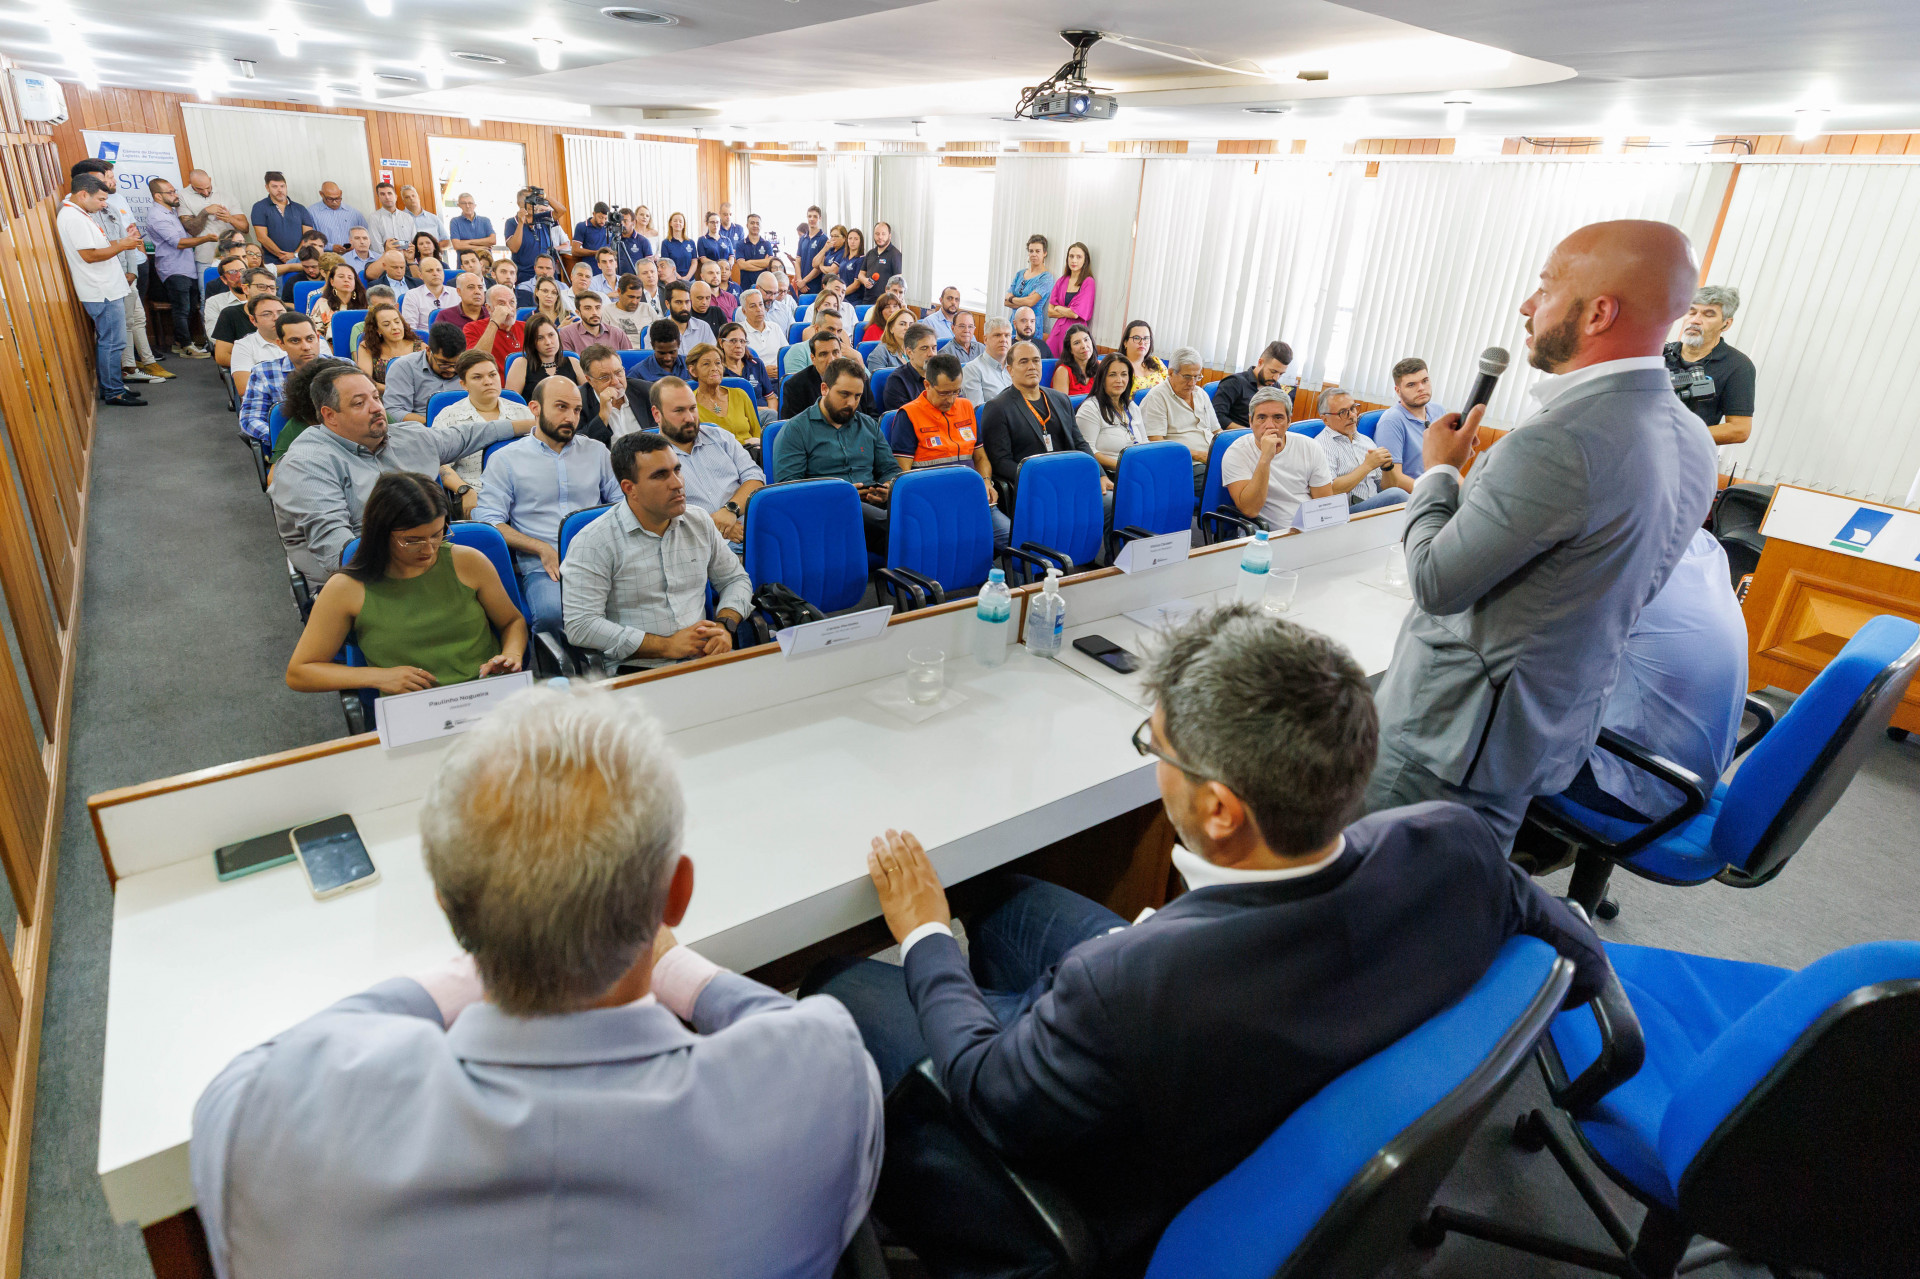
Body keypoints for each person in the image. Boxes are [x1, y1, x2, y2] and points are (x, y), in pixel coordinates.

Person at [806, 605, 1610, 1279]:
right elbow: (1566, 949)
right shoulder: (1452, 841)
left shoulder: (1126, 986)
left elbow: (986, 1086)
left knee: (838, 981)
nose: (1155, 766)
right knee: (1002, 896)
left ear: (1221, 809)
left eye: (1157, 750)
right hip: (1225, 1026)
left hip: (1125, 1156)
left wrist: (922, 935)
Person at [191, 684, 882, 1279]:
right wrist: (669, 961)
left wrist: (480, 952)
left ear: (449, 909)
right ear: (676, 895)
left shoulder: (266, 1119)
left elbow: (281, 1061)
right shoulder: (824, 1076)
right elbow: (786, 1025)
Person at [1365, 219, 1720, 848]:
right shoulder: (1692, 437)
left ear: (1598, 313)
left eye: (1547, 288)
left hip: (1449, 740)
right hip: (1544, 724)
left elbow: (1435, 581)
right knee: (1457, 897)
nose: (1528, 305)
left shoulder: (1559, 442)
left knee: (1377, 905)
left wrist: (1440, 470)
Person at [272, 363, 531, 591]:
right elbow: (338, 551)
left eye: (376, 397)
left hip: (423, 553)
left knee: (490, 566)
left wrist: (533, 424)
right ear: (330, 416)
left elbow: (467, 435)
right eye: (359, 403)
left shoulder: (406, 436)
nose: (376, 408)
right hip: (357, 577)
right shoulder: (306, 463)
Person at [1562, 527, 1747, 822]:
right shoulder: (1705, 545)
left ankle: (1505, 854)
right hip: (1688, 779)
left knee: (1484, 718)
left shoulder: (1631, 565)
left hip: (1638, 788)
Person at [285, 472, 526, 696]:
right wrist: (378, 677)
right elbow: (300, 672)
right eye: (412, 541)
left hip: (486, 693)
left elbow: (512, 622)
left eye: (437, 534)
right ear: (381, 534)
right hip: (414, 706)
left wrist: (511, 655)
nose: (429, 549)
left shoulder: (468, 561)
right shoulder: (346, 588)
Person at [561, 433, 756, 670]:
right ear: (629, 488)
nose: (677, 483)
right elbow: (581, 625)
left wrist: (725, 626)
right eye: (660, 476)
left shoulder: (699, 521)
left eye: (677, 470)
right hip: (638, 668)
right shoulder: (594, 541)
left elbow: (735, 580)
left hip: (705, 657)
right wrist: (667, 646)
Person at [475, 379, 622, 636]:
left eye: (576, 410)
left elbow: (623, 504)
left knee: (631, 605)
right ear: (535, 408)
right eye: (561, 407)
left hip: (599, 556)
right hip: (542, 562)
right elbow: (489, 522)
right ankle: (562, 671)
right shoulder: (506, 459)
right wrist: (540, 547)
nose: (571, 418)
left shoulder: (597, 452)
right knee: (553, 613)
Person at [773, 357, 900, 553]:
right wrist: (840, 494)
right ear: (824, 389)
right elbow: (790, 488)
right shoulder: (796, 430)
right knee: (902, 527)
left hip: (872, 507)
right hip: (827, 512)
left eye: (857, 396)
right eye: (844, 394)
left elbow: (890, 469)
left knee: (915, 512)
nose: (851, 403)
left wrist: (887, 488)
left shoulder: (867, 425)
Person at [886, 352, 1011, 549]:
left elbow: (980, 457)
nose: (951, 400)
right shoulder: (909, 415)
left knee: (1016, 542)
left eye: (956, 392)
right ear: (927, 385)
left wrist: (986, 482)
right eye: (944, 393)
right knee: (970, 551)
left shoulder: (966, 407)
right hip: (935, 505)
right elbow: (903, 475)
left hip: (972, 498)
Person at [980, 339, 1109, 504]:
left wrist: (1100, 474)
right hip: (1036, 485)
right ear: (1010, 370)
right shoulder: (998, 408)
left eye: (1036, 360)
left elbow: (1080, 443)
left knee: (1111, 502)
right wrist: (1041, 476)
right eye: (1024, 362)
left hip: (1070, 477)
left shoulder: (1060, 399)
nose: (1032, 366)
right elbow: (1001, 462)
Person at [650, 377, 764, 545]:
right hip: (696, 545)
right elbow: (660, 517)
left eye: (692, 408)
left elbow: (755, 478)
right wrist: (716, 527)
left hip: (748, 527)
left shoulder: (721, 437)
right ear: (657, 414)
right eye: (679, 411)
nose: (689, 418)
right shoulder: (650, 458)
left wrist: (730, 511)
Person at [1222, 388, 1332, 529]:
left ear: (1289, 421)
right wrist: (1265, 458)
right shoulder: (1237, 452)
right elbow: (1250, 510)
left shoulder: (1309, 446)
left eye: (1278, 418)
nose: (1270, 425)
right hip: (1267, 535)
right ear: (1250, 421)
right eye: (1261, 418)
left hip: (1310, 528)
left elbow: (1324, 503)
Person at [1666, 284, 1756, 446]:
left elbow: (1739, 429)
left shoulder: (1738, 365)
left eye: (1708, 315)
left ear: (1726, 324)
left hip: (1685, 458)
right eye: (1692, 312)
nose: (1695, 320)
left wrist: (1677, 435)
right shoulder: (1659, 353)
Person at [440, 349, 537, 498]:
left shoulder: (523, 412)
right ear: (464, 384)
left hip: (526, 494)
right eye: (477, 377)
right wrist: (464, 490)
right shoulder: (449, 416)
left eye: (492, 375)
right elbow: (439, 465)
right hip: (476, 495)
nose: (488, 381)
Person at [142, 177, 214, 360]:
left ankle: (178, 343)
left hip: (186, 266)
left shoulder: (171, 212)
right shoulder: (156, 216)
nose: (176, 196)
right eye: (171, 192)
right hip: (173, 268)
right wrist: (206, 239)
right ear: (158, 196)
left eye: (175, 191)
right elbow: (179, 243)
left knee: (189, 308)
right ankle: (187, 346)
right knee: (181, 308)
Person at [1314, 386, 1411, 512]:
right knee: (1398, 496)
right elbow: (1329, 490)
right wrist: (1367, 466)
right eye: (1343, 412)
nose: (1352, 416)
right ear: (1325, 419)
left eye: (1353, 408)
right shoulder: (1321, 445)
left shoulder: (1366, 441)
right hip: (1343, 512)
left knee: (1399, 494)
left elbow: (1387, 488)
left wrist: (1387, 468)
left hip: (1371, 506)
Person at [238, 312, 324, 445]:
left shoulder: (343, 367)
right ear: (281, 344)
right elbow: (250, 419)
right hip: (292, 446)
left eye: (310, 339)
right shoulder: (264, 372)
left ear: (318, 338)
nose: (306, 347)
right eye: (295, 341)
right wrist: (282, 438)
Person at [1140, 346, 1219, 489]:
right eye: (1187, 376)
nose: (1192, 383)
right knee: (1222, 484)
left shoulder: (1201, 394)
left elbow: (1217, 431)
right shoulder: (1157, 398)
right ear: (1170, 373)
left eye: (1197, 377)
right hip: (1184, 464)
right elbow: (1156, 443)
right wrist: (1198, 455)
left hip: (1210, 458)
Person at [1075, 354, 1158, 472]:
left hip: (1137, 471)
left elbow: (1145, 443)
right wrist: (1124, 466)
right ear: (1102, 378)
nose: (1119, 380)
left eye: (1124, 374)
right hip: (1108, 473)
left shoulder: (1132, 407)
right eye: (1112, 375)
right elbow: (1087, 451)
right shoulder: (1090, 408)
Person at [781, 330, 877, 420]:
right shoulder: (795, 386)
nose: (831, 359)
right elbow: (794, 428)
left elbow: (873, 418)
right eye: (823, 354)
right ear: (813, 359)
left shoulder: (859, 379)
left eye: (835, 352)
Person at [383, 323, 469, 424]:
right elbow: (394, 412)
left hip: (466, 427)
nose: (451, 370)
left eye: (456, 364)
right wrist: (437, 423)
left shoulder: (471, 367)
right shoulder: (404, 367)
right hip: (421, 430)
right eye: (444, 364)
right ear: (428, 351)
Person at [1372, 357, 1443, 479]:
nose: (1421, 388)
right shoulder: (1391, 421)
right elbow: (1395, 479)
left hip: (1437, 483)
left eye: (1425, 381)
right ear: (1398, 391)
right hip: (1412, 493)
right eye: (1411, 385)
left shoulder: (1438, 411)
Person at [688, 342, 760, 446]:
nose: (714, 368)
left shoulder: (740, 395)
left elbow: (757, 434)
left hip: (751, 455)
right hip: (716, 458)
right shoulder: (690, 406)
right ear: (693, 371)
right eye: (706, 364)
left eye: (718, 363)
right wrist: (742, 443)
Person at [578, 345, 652, 444]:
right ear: (589, 380)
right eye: (604, 377)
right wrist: (603, 415)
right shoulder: (578, 403)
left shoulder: (647, 391)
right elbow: (579, 447)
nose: (615, 381)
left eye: (618, 372)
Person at [1211, 340, 1293, 429]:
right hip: (1238, 437)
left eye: (1281, 374)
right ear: (1260, 362)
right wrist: (1251, 434)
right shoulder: (1234, 383)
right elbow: (1216, 417)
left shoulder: (1275, 387)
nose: (1276, 378)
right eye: (1273, 371)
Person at [177, 168, 249, 268]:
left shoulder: (225, 195)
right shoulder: (182, 196)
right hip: (206, 258)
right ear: (190, 183)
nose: (206, 192)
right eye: (199, 189)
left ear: (210, 180)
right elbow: (191, 230)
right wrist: (205, 211)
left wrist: (230, 219)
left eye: (208, 187)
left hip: (233, 256)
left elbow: (245, 228)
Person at [507, 314, 586, 403]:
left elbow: (589, 397)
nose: (548, 342)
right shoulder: (521, 364)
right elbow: (511, 404)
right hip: (534, 415)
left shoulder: (573, 362)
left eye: (551, 335)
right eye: (540, 338)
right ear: (531, 342)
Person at [212, 268, 282, 367]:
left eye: (272, 288)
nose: (269, 292)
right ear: (245, 289)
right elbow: (222, 356)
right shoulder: (230, 314)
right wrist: (261, 367)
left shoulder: (286, 313)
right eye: (262, 287)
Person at [356, 301, 424, 394]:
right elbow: (366, 382)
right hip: (382, 398)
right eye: (386, 324)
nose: (395, 327)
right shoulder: (367, 347)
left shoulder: (421, 348)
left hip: (417, 398)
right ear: (377, 329)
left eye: (397, 322)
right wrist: (397, 390)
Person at [229, 295, 288, 400]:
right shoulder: (243, 345)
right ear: (253, 320)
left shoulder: (310, 339)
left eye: (281, 313)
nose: (276, 318)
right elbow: (244, 388)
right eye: (267, 314)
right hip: (267, 404)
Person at [251, 170, 316, 264]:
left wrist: (295, 255)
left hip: (299, 260)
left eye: (282, 186)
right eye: (274, 186)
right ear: (267, 188)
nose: (280, 190)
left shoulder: (300, 208)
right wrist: (282, 255)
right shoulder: (259, 207)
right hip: (272, 263)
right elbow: (261, 237)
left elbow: (308, 235)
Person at [1044, 242, 1096, 355]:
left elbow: (1075, 314)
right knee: (1047, 361)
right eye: (1071, 256)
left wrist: (1058, 307)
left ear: (1085, 260)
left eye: (1078, 257)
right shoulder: (1062, 280)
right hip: (1057, 332)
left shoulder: (1088, 282)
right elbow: (1050, 312)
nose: (1074, 260)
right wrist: (1066, 310)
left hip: (1076, 333)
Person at [716, 321, 777, 413]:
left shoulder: (756, 364)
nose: (739, 346)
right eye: (733, 341)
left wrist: (771, 414)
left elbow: (771, 398)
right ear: (721, 343)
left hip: (765, 416)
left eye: (742, 341)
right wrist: (762, 411)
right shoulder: (717, 371)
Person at [1004, 234, 1055, 339]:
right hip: (1014, 322)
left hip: (1032, 325)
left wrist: (1012, 299)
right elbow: (1006, 301)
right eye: (1031, 251)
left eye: (1037, 251)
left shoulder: (1046, 277)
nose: (1033, 254)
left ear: (1045, 253)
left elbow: (1031, 302)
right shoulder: (1020, 273)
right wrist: (1024, 300)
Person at [880, 323, 938, 413]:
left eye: (934, 348)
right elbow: (904, 419)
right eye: (924, 348)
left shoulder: (943, 375)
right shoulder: (897, 381)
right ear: (910, 353)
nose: (932, 354)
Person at [465, 285, 526, 366]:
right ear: (489, 307)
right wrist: (495, 322)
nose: (509, 308)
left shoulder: (526, 327)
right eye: (501, 304)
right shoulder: (472, 328)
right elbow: (476, 361)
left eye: (512, 302)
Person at [960, 316, 1014, 406]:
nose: (1003, 340)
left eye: (1007, 335)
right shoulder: (972, 370)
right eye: (997, 335)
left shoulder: (1016, 367)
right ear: (985, 339)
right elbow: (978, 412)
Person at [308, 260, 367, 341]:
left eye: (350, 277)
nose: (346, 280)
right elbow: (315, 333)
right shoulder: (323, 303)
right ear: (332, 281)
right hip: (329, 348)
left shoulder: (365, 302)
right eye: (341, 276)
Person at [559, 289, 631, 355]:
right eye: (588, 308)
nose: (594, 312)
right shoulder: (566, 334)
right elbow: (567, 365)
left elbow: (630, 363)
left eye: (598, 308)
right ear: (578, 312)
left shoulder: (618, 334)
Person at [403, 254, 460, 331]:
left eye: (438, 270)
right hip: (425, 340)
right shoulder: (412, 295)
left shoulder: (457, 293)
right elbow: (411, 330)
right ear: (421, 275)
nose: (435, 273)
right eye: (430, 271)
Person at [309, 181, 368, 254]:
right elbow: (310, 240)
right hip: (327, 258)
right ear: (321, 194)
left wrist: (356, 245)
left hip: (353, 257)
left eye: (337, 198)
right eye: (330, 199)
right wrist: (331, 247)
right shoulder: (311, 213)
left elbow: (367, 235)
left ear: (341, 193)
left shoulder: (354, 213)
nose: (334, 202)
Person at [606, 273, 661, 348]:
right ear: (619, 291)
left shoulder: (647, 308)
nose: (635, 302)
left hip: (647, 353)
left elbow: (661, 335)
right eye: (631, 297)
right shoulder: (607, 311)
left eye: (638, 298)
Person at [736, 287, 784, 369]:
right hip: (753, 377)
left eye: (761, 304)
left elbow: (785, 354)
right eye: (753, 306)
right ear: (744, 311)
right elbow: (738, 363)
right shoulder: (738, 332)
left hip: (778, 376)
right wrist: (762, 371)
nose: (759, 309)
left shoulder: (775, 327)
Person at [201, 255, 248, 335]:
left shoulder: (263, 297)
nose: (239, 275)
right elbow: (213, 335)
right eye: (232, 272)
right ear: (224, 280)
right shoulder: (214, 302)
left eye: (242, 270)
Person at [632, 319, 690, 384]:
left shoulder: (691, 365)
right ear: (653, 346)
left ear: (679, 344)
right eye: (662, 353)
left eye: (672, 352)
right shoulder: (638, 374)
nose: (667, 358)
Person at [1050, 323, 1099, 396]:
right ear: (1070, 350)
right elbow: (1061, 405)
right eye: (1077, 343)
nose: (1084, 346)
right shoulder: (1063, 371)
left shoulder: (1100, 366)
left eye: (1086, 340)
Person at [1120, 319, 1168, 390]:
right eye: (1136, 338)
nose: (1142, 342)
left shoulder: (1156, 362)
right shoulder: (1118, 365)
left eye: (1146, 338)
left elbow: (1171, 387)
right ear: (1125, 342)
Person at [367, 181, 413, 252]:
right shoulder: (374, 218)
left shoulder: (407, 217)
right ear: (379, 198)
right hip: (385, 260)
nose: (387, 197)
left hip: (407, 259)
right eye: (382, 194)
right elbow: (376, 246)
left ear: (396, 197)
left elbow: (412, 242)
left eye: (389, 193)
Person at [866, 307, 914, 372]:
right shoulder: (880, 353)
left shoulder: (916, 350)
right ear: (891, 328)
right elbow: (878, 380)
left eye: (911, 325)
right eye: (902, 324)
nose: (907, 328)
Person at [795, 205, 829, 293]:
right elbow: (798, 261)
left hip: (814, 286)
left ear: (820, 218)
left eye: (815, 216)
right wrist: (799, 281)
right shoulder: (803, 238)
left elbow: (819, 266)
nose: (812, 219)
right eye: (809, 216)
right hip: (801, 285)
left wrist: (804, 281)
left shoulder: (823, 239)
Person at [735, 214, 775, 285]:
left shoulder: (767, 244)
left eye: (757, 223)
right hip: (746, 286)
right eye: (752, 223)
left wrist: (749, 262)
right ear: (747, 225)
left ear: (761, 226)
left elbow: (769, 263)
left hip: (763, 285)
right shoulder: (740, 244)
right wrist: (763, 265)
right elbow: (742, 265)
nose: (755, 226)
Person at [659, 211, 697, 280]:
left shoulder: (691, 242)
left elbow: (694, 262)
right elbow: (666, 264)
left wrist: (687, 277)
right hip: (674, 280)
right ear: (670, 223)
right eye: (675, 221)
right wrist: (679, 277)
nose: (678, 223)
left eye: (680, 221)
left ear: (684, 225)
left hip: (690, 280)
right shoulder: (665, 243)